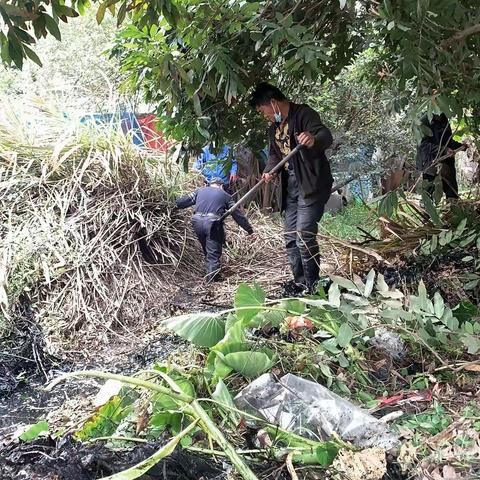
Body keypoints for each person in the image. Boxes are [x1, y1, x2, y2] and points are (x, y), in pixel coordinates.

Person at [249, 82, 333, 294]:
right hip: (291, 187)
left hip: (311, 184)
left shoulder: (303, 114)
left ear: (273, 103)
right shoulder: (274, 128)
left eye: (262, 110)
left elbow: (325, 135)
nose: (264, 115)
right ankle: (301, 283)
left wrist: (312, 139)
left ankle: (313, 286)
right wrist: (270, 170)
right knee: (290, 239)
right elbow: (275, 155)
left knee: (304, 236)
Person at [176, 177, 254, 282]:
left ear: (210, 184)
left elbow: (181, 202)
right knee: (213, 254)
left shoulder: (200, 191)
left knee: (207, 249)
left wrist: (172, 202)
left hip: (197, 221)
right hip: (212, 223)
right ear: (221, 186)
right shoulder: (225, 195)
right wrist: (249, 230)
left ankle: (211, 274)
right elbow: (237, 214)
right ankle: (211, 283)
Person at [418, 113, 466, 199]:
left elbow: (448, 141)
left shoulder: (444, 119)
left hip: (447, 163)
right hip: (431, 163)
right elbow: (423, 145)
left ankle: (452, 211)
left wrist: (460, 146)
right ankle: (427, 212)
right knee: (429, 194)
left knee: (452, 193)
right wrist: (444, 150)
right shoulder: (424, 121)